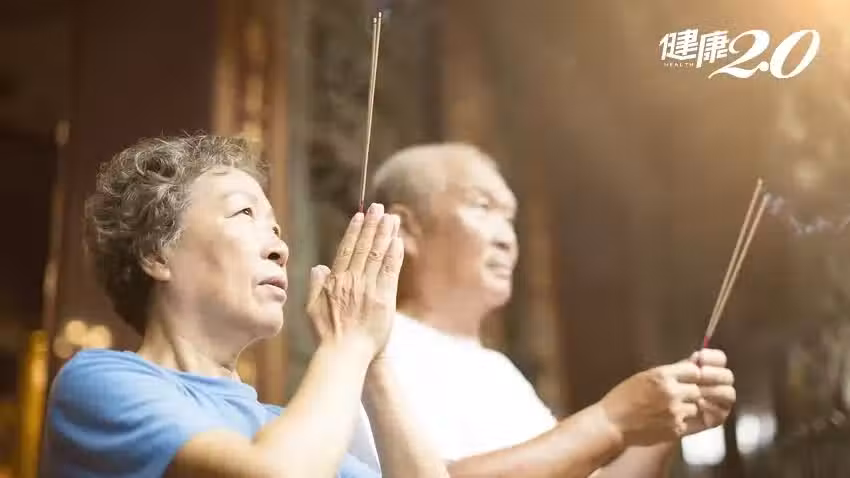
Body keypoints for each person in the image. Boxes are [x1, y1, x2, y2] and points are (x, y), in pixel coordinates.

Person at [40, 135, 448, 478]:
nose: (281, 249)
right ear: (157, 253)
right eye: (245, 213)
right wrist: (347, 343)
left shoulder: (286, 429)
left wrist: (373, 358)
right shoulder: (100, 382)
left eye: (276, 228)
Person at [364, 142, 738, 477]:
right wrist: (612, 419)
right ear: (406, 229)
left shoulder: (499, 370)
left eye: (510, 220)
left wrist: (661, 428)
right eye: (482, 207)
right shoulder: (375, 346)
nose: (507, 239)